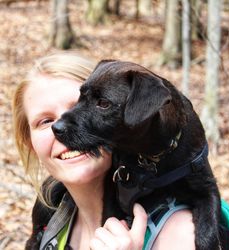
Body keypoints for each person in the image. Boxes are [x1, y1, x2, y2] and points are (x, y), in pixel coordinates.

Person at [12, 52, 196, 250]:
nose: (62, 127)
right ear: (30, 142)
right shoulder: (51, 215)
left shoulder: (178, 232)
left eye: (79, 107)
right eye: (45, 121)